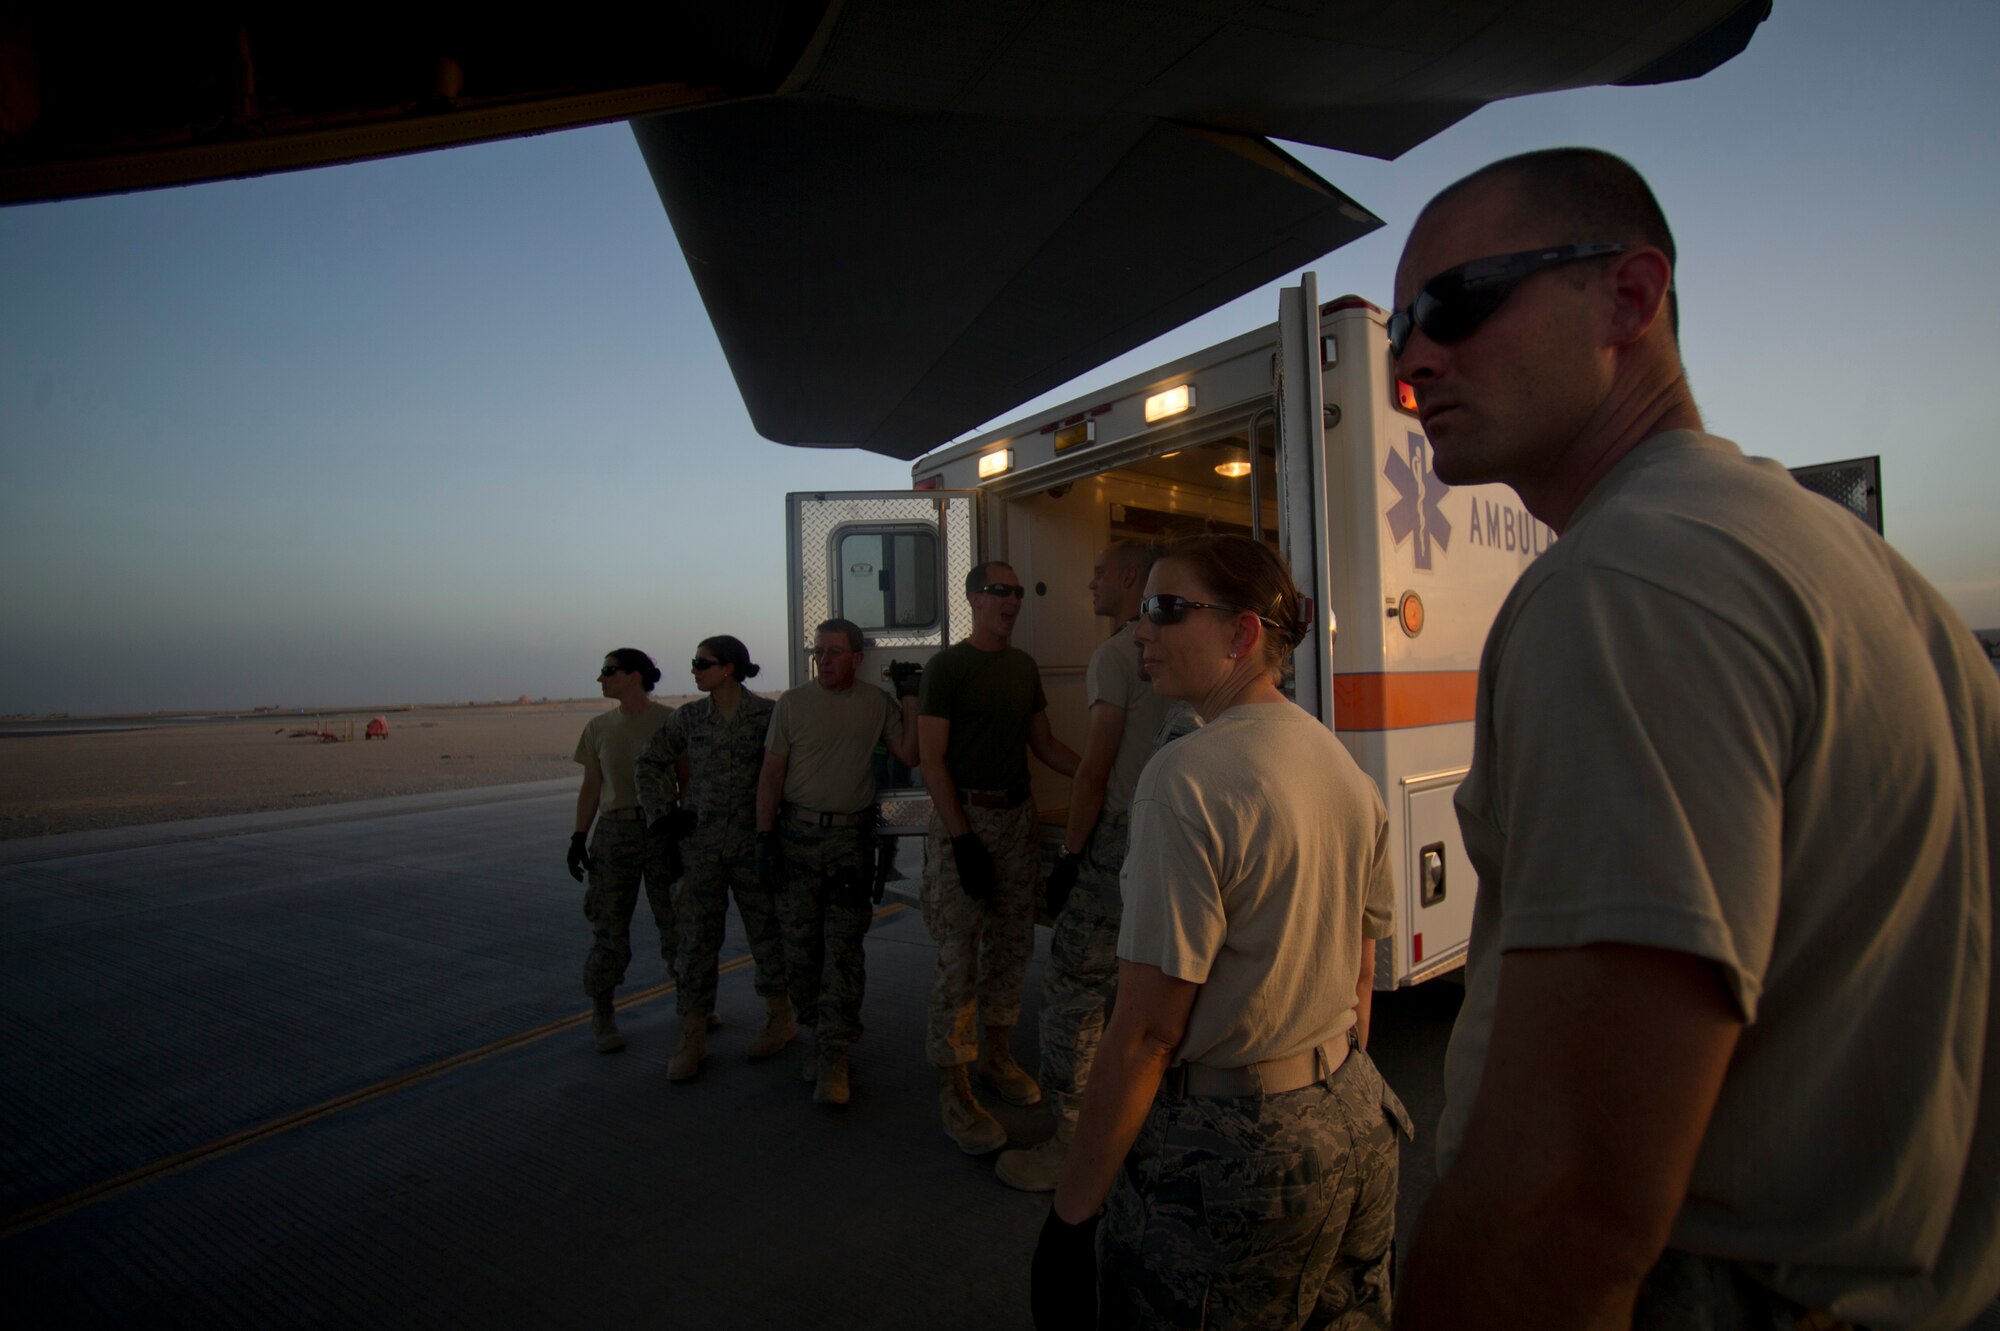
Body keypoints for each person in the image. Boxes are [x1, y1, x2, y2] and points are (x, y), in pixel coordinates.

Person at [1387, 148, 2000, 1330]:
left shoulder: (1623, 582)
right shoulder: (1872, 578)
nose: (1413, 356)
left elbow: (1563, 1204)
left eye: (1454, 303)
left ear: (1628, 298)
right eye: (1398, 328)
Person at [1034, 534, 1408, 1330]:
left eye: (1168, 610)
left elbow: (1144, 1035)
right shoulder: (1340, 765)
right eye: (1142, 611)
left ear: (1242, 634)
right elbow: (1358, 979)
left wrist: (1069, 1219)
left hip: (1241, 1159)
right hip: (1356, 1120)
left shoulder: (1187, 776)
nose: (1142, 629)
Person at [997, 539, 1169, 1191]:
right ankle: (1140, 1121)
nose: (1091, 584)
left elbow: (1095, 768)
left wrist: (1070, 855)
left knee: (1073, 986)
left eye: (1099, 573)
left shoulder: (1117, 654)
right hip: (1176, 834)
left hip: (1120, 840)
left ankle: (1072, 1143)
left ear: (1129, 577)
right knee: (1151, 985)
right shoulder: (1187, 648)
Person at [918, 559, 1080, 1153]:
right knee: (959, 955)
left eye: (1016, 592)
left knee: (1012, 945)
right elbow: (931, 759)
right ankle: (954, 1085)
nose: (1011, 600)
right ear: (973, 598)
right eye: (999, 590)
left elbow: (1043, 745)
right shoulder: (948, 667)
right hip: (967, 818)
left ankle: (997, 1058)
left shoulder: (1021, 668)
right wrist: (961, 841)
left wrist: (1098, 774)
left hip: (1017, 818)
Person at [753, 618, 920, 1105]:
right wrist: (765, 839)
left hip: (850, 845)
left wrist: (909, 696)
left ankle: (834, 1055)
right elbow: (771, 775)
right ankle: (814, 1035)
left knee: (843, 953)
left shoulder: (875, 705)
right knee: (801, 952)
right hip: (797, 839)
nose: (823, 660)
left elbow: (908, 751)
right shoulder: (791, 704)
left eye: (833, 652)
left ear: (856, 657)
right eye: (818, 652)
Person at [635, 635, 792, 1083]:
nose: (695, 670)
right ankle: (692, 1033)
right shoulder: (689, 717)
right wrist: (662, 815)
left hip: (752, 844)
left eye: (702, 663)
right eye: (695, 662)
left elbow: (786, 771)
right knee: (696, 941)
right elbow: (648, 762)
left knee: (766, 933)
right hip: (701, 848)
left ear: (728, 668)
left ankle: (779, 1017)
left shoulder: (766, 715)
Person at [568, 648, 678, 1054]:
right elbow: (592, 786)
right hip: (614, 833)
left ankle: (693, 1003)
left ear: (634, 676)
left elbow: (686, 779)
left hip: (661, 829)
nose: (601, 679)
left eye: (609, 671)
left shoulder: (669, 722)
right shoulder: (598, 727)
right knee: (609, 925)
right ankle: (603, 1011)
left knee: (677, 920)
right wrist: (579, 836)